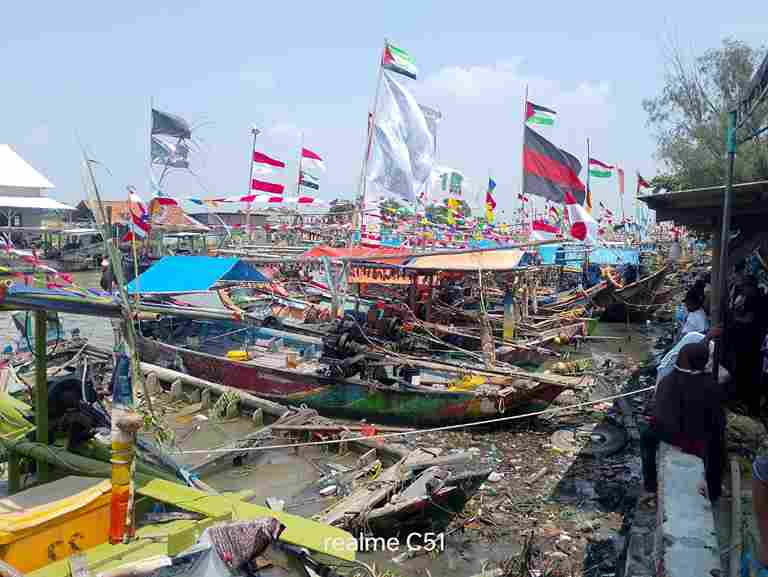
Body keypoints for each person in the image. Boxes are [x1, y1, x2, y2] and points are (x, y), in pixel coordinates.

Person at [641, 342, 727, 504]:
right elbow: (718, 422)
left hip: (675, 435)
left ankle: (650, 485)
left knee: (646, 436)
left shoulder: (670, 380)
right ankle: (714, 489)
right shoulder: (711, 385)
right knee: (717, 443)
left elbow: (659, 415)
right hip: (700, 437)